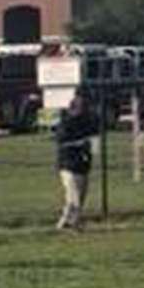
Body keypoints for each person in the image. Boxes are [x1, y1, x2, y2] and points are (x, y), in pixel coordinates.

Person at [52, 94, 99, 231]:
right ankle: (73, 223)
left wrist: (91, 149)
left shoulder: (90, 122)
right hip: (68, 164)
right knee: (74, 195)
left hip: (83, 165)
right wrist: (80, 143)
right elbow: (61, 141)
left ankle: (67, 222)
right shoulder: (66, 123)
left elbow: (94, 143)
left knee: (79, 196)